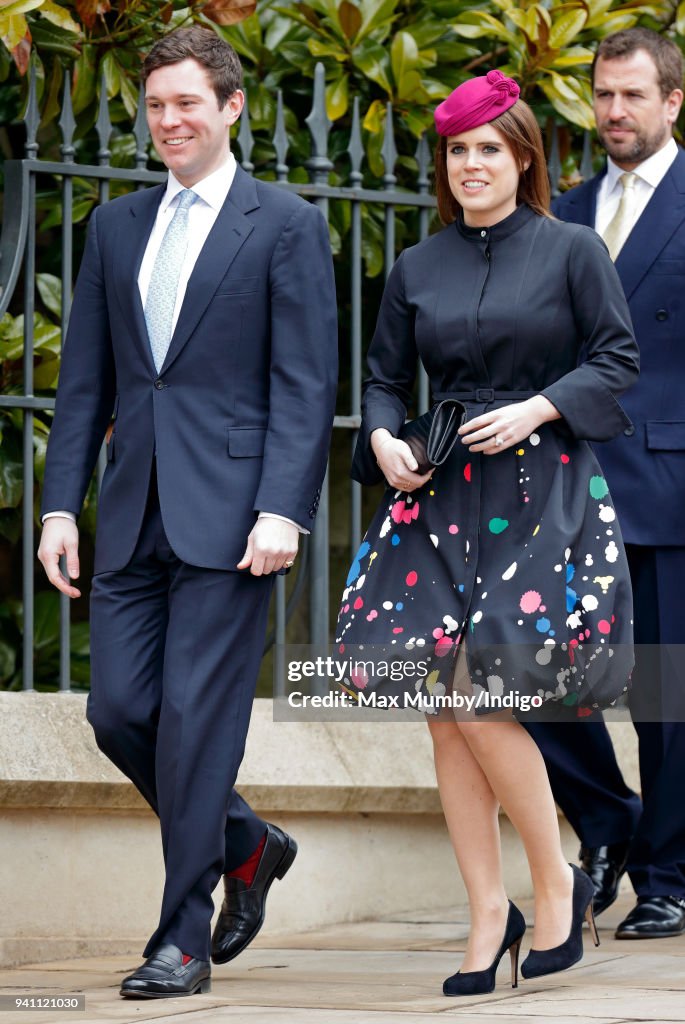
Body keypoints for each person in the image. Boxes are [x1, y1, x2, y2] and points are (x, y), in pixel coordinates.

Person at [37, 26, 337, 998]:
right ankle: (246, 842)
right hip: (131, 514)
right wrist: (59, 508)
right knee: (118, 710)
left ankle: (182, 937)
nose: (168, 121)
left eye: (186, 105)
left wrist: (282, 508)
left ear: (230, 107)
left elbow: (302, 383)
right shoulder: (118, 227)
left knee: (197, 725)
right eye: (157, 105)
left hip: (234, 519)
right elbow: (85, 383)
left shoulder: (284, 222)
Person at [336, 71, 639, 995]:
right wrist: (384, 438)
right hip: (437, 498)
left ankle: (553, 884)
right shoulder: (418, 266)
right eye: (457, 151)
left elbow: (615, 360)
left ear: (521, 158)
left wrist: (541, 408)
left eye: (487, 149)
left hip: (540, 493)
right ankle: (485, 914)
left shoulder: (572, 249)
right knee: (441, 704)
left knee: (480, 692)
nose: (471, 165)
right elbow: (384, 378)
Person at [525, 27, 685, 940]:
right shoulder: (567, 210)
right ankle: (607, 817)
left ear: (672, 101)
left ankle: (667, 875)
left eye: (632, 96)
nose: (613, 113)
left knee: (665, 703)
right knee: (531, 679)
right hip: (566, 489)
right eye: (603, 96)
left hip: (667, 482)